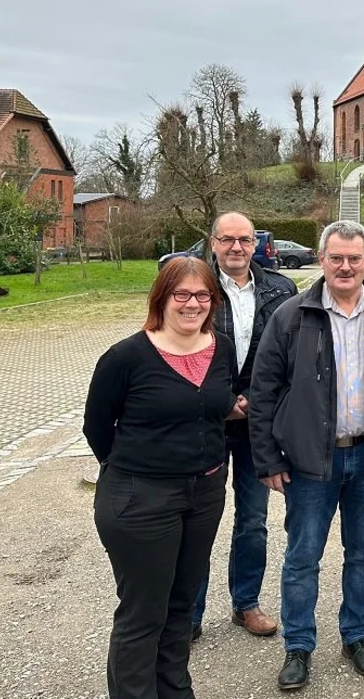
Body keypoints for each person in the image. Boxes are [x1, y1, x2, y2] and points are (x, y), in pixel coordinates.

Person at [249, 220, 364, 691]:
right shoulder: (290, 316)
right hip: (308, 463)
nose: (345, 266)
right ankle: (298, 646)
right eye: (336, 258)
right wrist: (268, 459)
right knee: (303, 557)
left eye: (354, 258)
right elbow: (263, 393)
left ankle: (357, 636)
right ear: (321, 260)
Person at [84, 257, 234, 699]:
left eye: (202, 295)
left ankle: (174, 689)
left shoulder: (220, 347)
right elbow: (97, 428)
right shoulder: (126, 356)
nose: (192, 304)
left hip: (204, 494)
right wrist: (140, 468)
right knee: (144, 612)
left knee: (181, 606)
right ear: (162, 298)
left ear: (213, 300)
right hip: (141, 498)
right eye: (181, 294)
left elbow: (216, 406)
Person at [192, 212, 297, 642]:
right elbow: (178, 349)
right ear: (213, 243)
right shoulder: (192, 286)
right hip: (205, 423)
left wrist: (255, 399)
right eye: (228, 239)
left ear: (256, 244)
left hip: (257, 424)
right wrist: (220, 400)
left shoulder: (280, 289)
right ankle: (188, 613)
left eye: (245, 240)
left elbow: (288, 356)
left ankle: (246, 603)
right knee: (198, 519)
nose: (237, 248)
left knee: (252, 519)